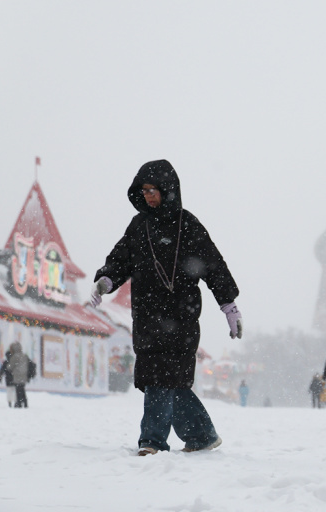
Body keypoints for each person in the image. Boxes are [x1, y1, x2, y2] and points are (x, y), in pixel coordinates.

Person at [90, 159, 242, 456]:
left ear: (168, 190)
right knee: (163, 381)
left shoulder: (188, 225)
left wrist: (229, 305)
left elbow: (213, 266)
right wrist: (106, 280)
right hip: (146, 317)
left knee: (162, 378)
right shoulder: (138, 226)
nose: (148, 196)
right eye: (144, 190)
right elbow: (121, 259)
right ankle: (202, 435)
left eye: (153, 190)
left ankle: (152, 441)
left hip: (180, 318)